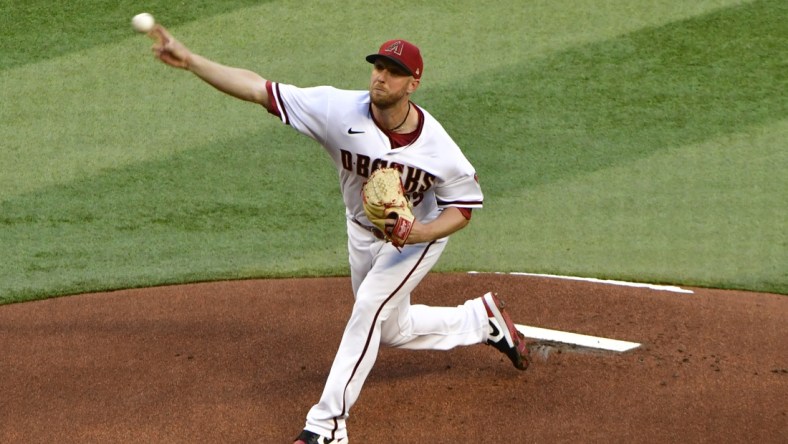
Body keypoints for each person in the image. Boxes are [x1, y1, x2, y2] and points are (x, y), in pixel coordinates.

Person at [148, 25, 530, 444]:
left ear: (413, 83)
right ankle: (482, 320)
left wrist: (421, 232)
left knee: (367, 307)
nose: (381, 77)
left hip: (416, 239)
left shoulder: (439, 147)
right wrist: (191, 61)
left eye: (394, 71)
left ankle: (327, 426)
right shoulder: (336, 109)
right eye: (378, 67)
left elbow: (464, 207)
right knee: (391, 329)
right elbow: (259, 89)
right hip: (361, 232)